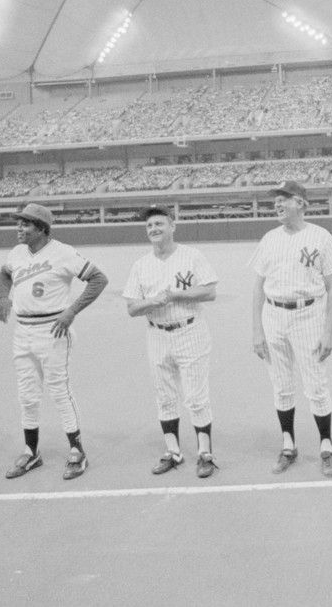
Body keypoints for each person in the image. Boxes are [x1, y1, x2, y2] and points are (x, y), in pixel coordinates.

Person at [0, 203, 108, 479]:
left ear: (41, 229)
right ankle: (31, 452)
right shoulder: (17, 252)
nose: (19, 228)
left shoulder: (63, 252)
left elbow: (98, 279)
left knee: (59, 390)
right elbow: (5, 272)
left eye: (25, 224)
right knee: (27, 395)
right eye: (19, 223)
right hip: (23, 331)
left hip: (52, 329)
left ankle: (77, 451)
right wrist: (3, 297)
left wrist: (71, 311)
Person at [251, 181, 332, 477]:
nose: (278, 204)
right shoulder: (269, 238)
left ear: (302, 203)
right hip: (273, 315)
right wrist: (257, 329)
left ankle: (326, 446)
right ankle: (288, 445)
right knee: (281, 386)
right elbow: (258, 287)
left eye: (285, 199)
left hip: (308, 315)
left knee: (316, 385)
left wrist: (329, 332)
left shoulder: (321, 237)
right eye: (275, 201)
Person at [123, 205, 219, 478]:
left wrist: (176, 295)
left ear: (172, 226)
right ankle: (173, 451)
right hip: (156, 333)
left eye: (159, 224)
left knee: (196, 397)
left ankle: (205, 453)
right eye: (150, 226)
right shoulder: (141, 265)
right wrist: (152, 301)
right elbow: (131, 307)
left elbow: (210, 291)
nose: (154, 229)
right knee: (164, 396)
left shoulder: (191, 256)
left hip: (190, 330)